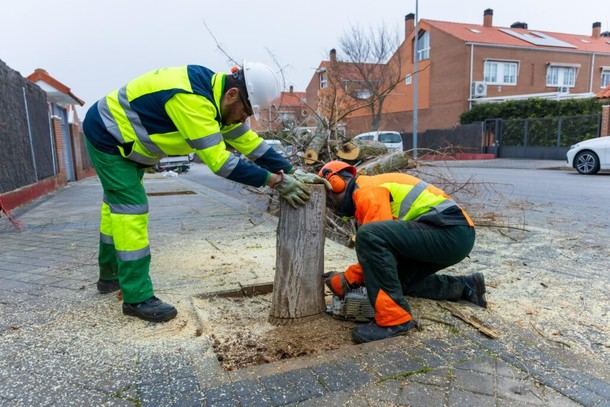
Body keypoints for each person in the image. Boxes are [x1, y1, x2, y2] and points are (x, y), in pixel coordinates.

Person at [83, 62, 317, 323]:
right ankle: (136, 297)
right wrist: (276, 181)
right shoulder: (193, 101)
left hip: (130, 141)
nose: (244, 119)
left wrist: (289, 170)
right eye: (245, 112)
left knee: (115, 207)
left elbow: (250, 143)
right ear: (233, 95)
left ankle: (109, 277)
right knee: (131, 208)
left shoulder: (218, 98)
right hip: (109, 136)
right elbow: (221, 162)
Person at [319, 161, 486, 344]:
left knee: (369, 235)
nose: (330, 205)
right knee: (393, 282)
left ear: (336, 182)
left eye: (328, 198)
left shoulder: (367, 190)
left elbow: (374, 238)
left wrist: (348, 279)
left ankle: (394, 320)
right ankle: (467, 287)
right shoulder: (366, 191)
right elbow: (382, 260)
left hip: (450, 232)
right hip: (453, 235)